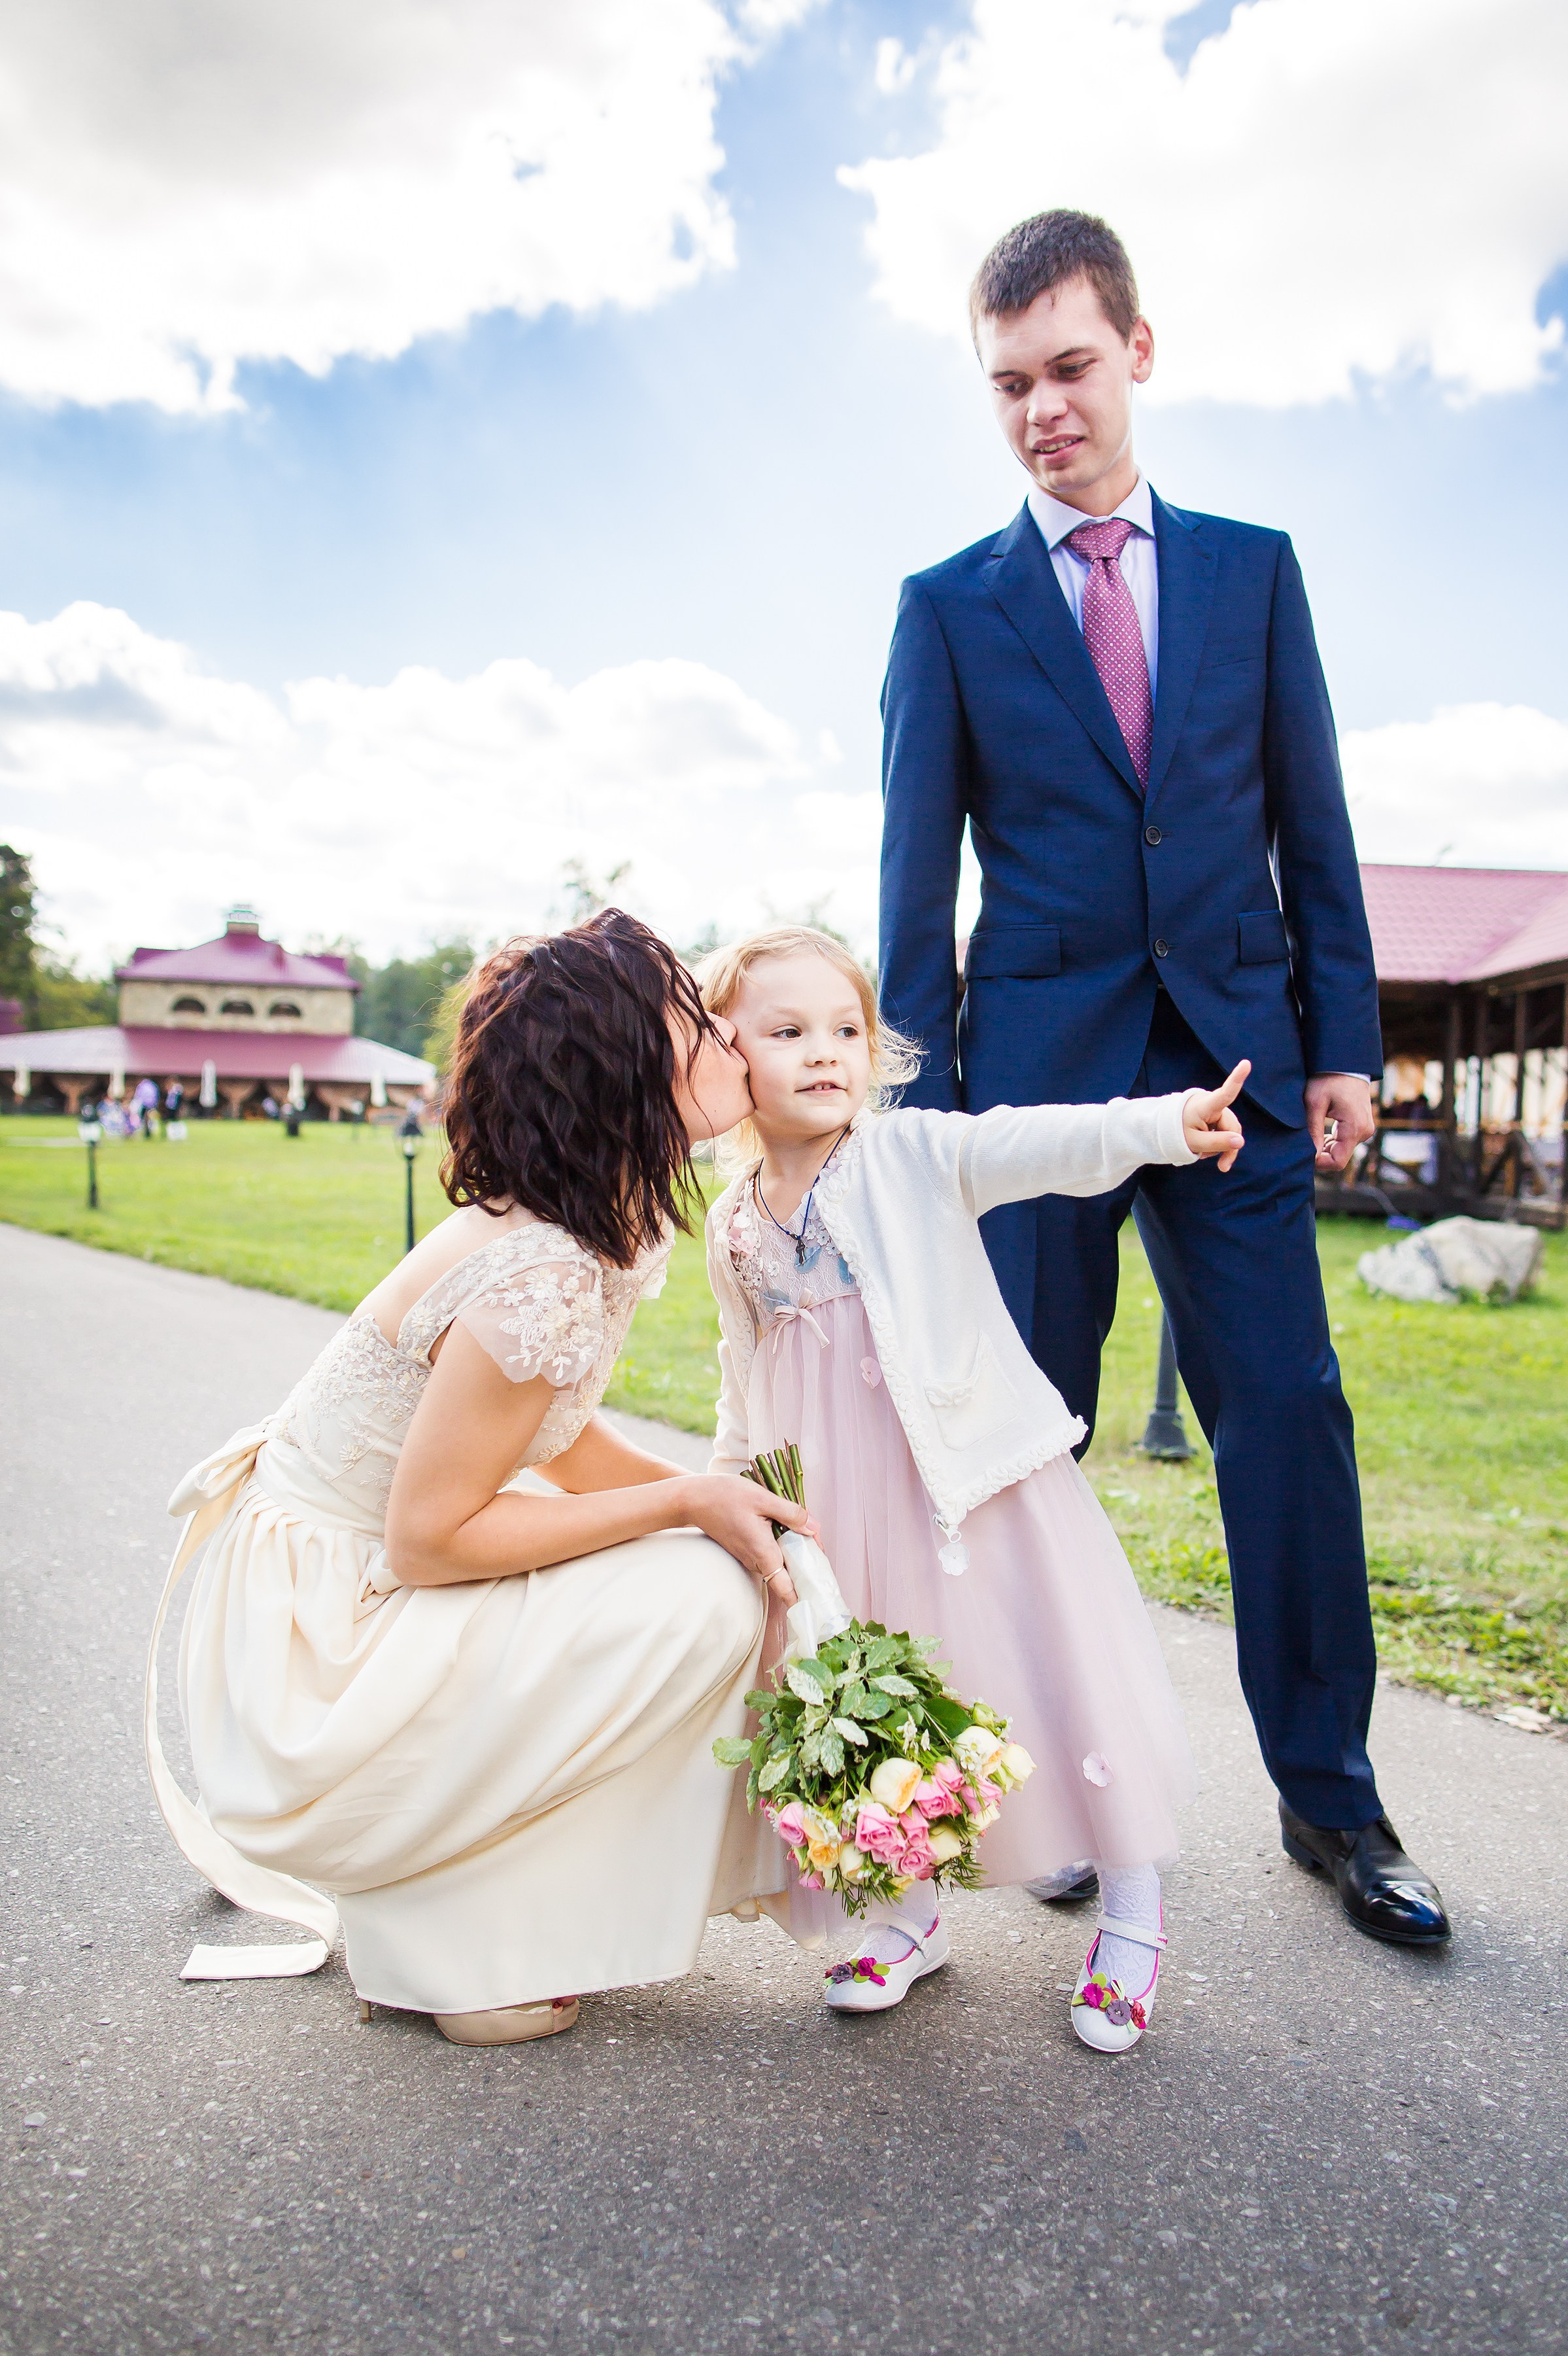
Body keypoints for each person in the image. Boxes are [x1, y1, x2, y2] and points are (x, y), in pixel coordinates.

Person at [878, 209, 1449, 1946]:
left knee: (1284, 1414)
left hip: (1231, 1072)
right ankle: (1036, 1790)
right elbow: (912, 880)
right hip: (1031, 1093)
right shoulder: (945, 610)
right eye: (1006, 385)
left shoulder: (1252, 573)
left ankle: (1332, 1802)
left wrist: (1337, 1044)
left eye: (1067, 368)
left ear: (1135, 350)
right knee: (1024, 1435)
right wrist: (917, 1112)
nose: (1041, 409)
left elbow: (1310, 825)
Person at [146, 913, 814, 2048]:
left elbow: (556, 1435)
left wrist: (716, 1508)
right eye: (697, 1024)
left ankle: (482, 1906)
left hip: (361, 1576)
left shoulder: (595, 1216)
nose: (730, 1041)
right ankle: (457, 1937)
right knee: (704, 1602)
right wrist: (682, 1501)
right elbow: (431, 1539)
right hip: (318, 1642)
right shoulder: (538, 1269)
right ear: (626, 1071)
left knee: (709, 1562)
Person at [700, 926, 1248, 2051]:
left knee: (1050, 1676)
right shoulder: (734, 1219)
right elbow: (739, 1365)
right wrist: (732, 1484)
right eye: (789, 1030)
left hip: (964, 1476)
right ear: (725, 1053)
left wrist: (1165, 1124)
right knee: (883, 1699)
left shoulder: (904, 1156)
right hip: (836, 1507)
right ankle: (906, 1913)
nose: (825, 1052)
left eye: (846, 1029)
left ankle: (1130, 1912)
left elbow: (1032, 1142)